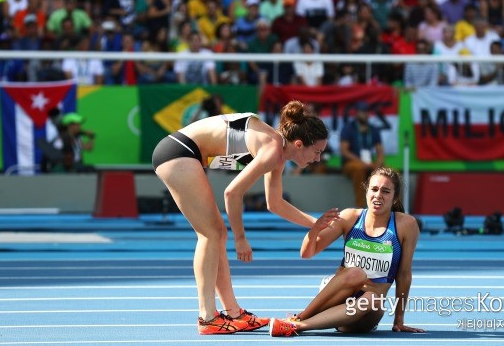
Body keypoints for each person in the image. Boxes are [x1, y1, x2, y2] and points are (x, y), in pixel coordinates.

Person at [151, 100, 329, 335]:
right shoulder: (272, 149)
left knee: (216, 235)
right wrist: (241, 238)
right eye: (317, 152)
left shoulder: (278, 153)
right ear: (299, 144)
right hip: (178, 152)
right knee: (212, 234)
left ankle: (233, 313)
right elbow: (232, 192)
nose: (317, 159)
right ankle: (207, 317)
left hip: (182, 153)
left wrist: (317, 224)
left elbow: (274, 203)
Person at [268, 167, 424, 337]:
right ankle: (299, 319)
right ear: (366, 191)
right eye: (374, 189)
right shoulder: (350, 217)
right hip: (337, 296)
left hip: (367, 310)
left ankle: (299, 326)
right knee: (356, 273)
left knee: (371, 298)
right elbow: (306, 253)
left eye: (386, 191)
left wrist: (399, 320)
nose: (378, 195)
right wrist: (315, 229)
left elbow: (404, 275)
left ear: (395, 198)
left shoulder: (406, 225)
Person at [339, 102, 385, 208]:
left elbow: (380, 152)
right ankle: (360, 207)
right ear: (357, 113)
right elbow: (344, 151)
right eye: (362, 112)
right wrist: (361, 162)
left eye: (367, 112)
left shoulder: (373, 129)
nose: (365, 114)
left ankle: (392, 208)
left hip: (369, 163)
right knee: (359, 168)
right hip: (352, 164)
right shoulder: (348, 128)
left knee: (390, 173)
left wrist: (378, 164)